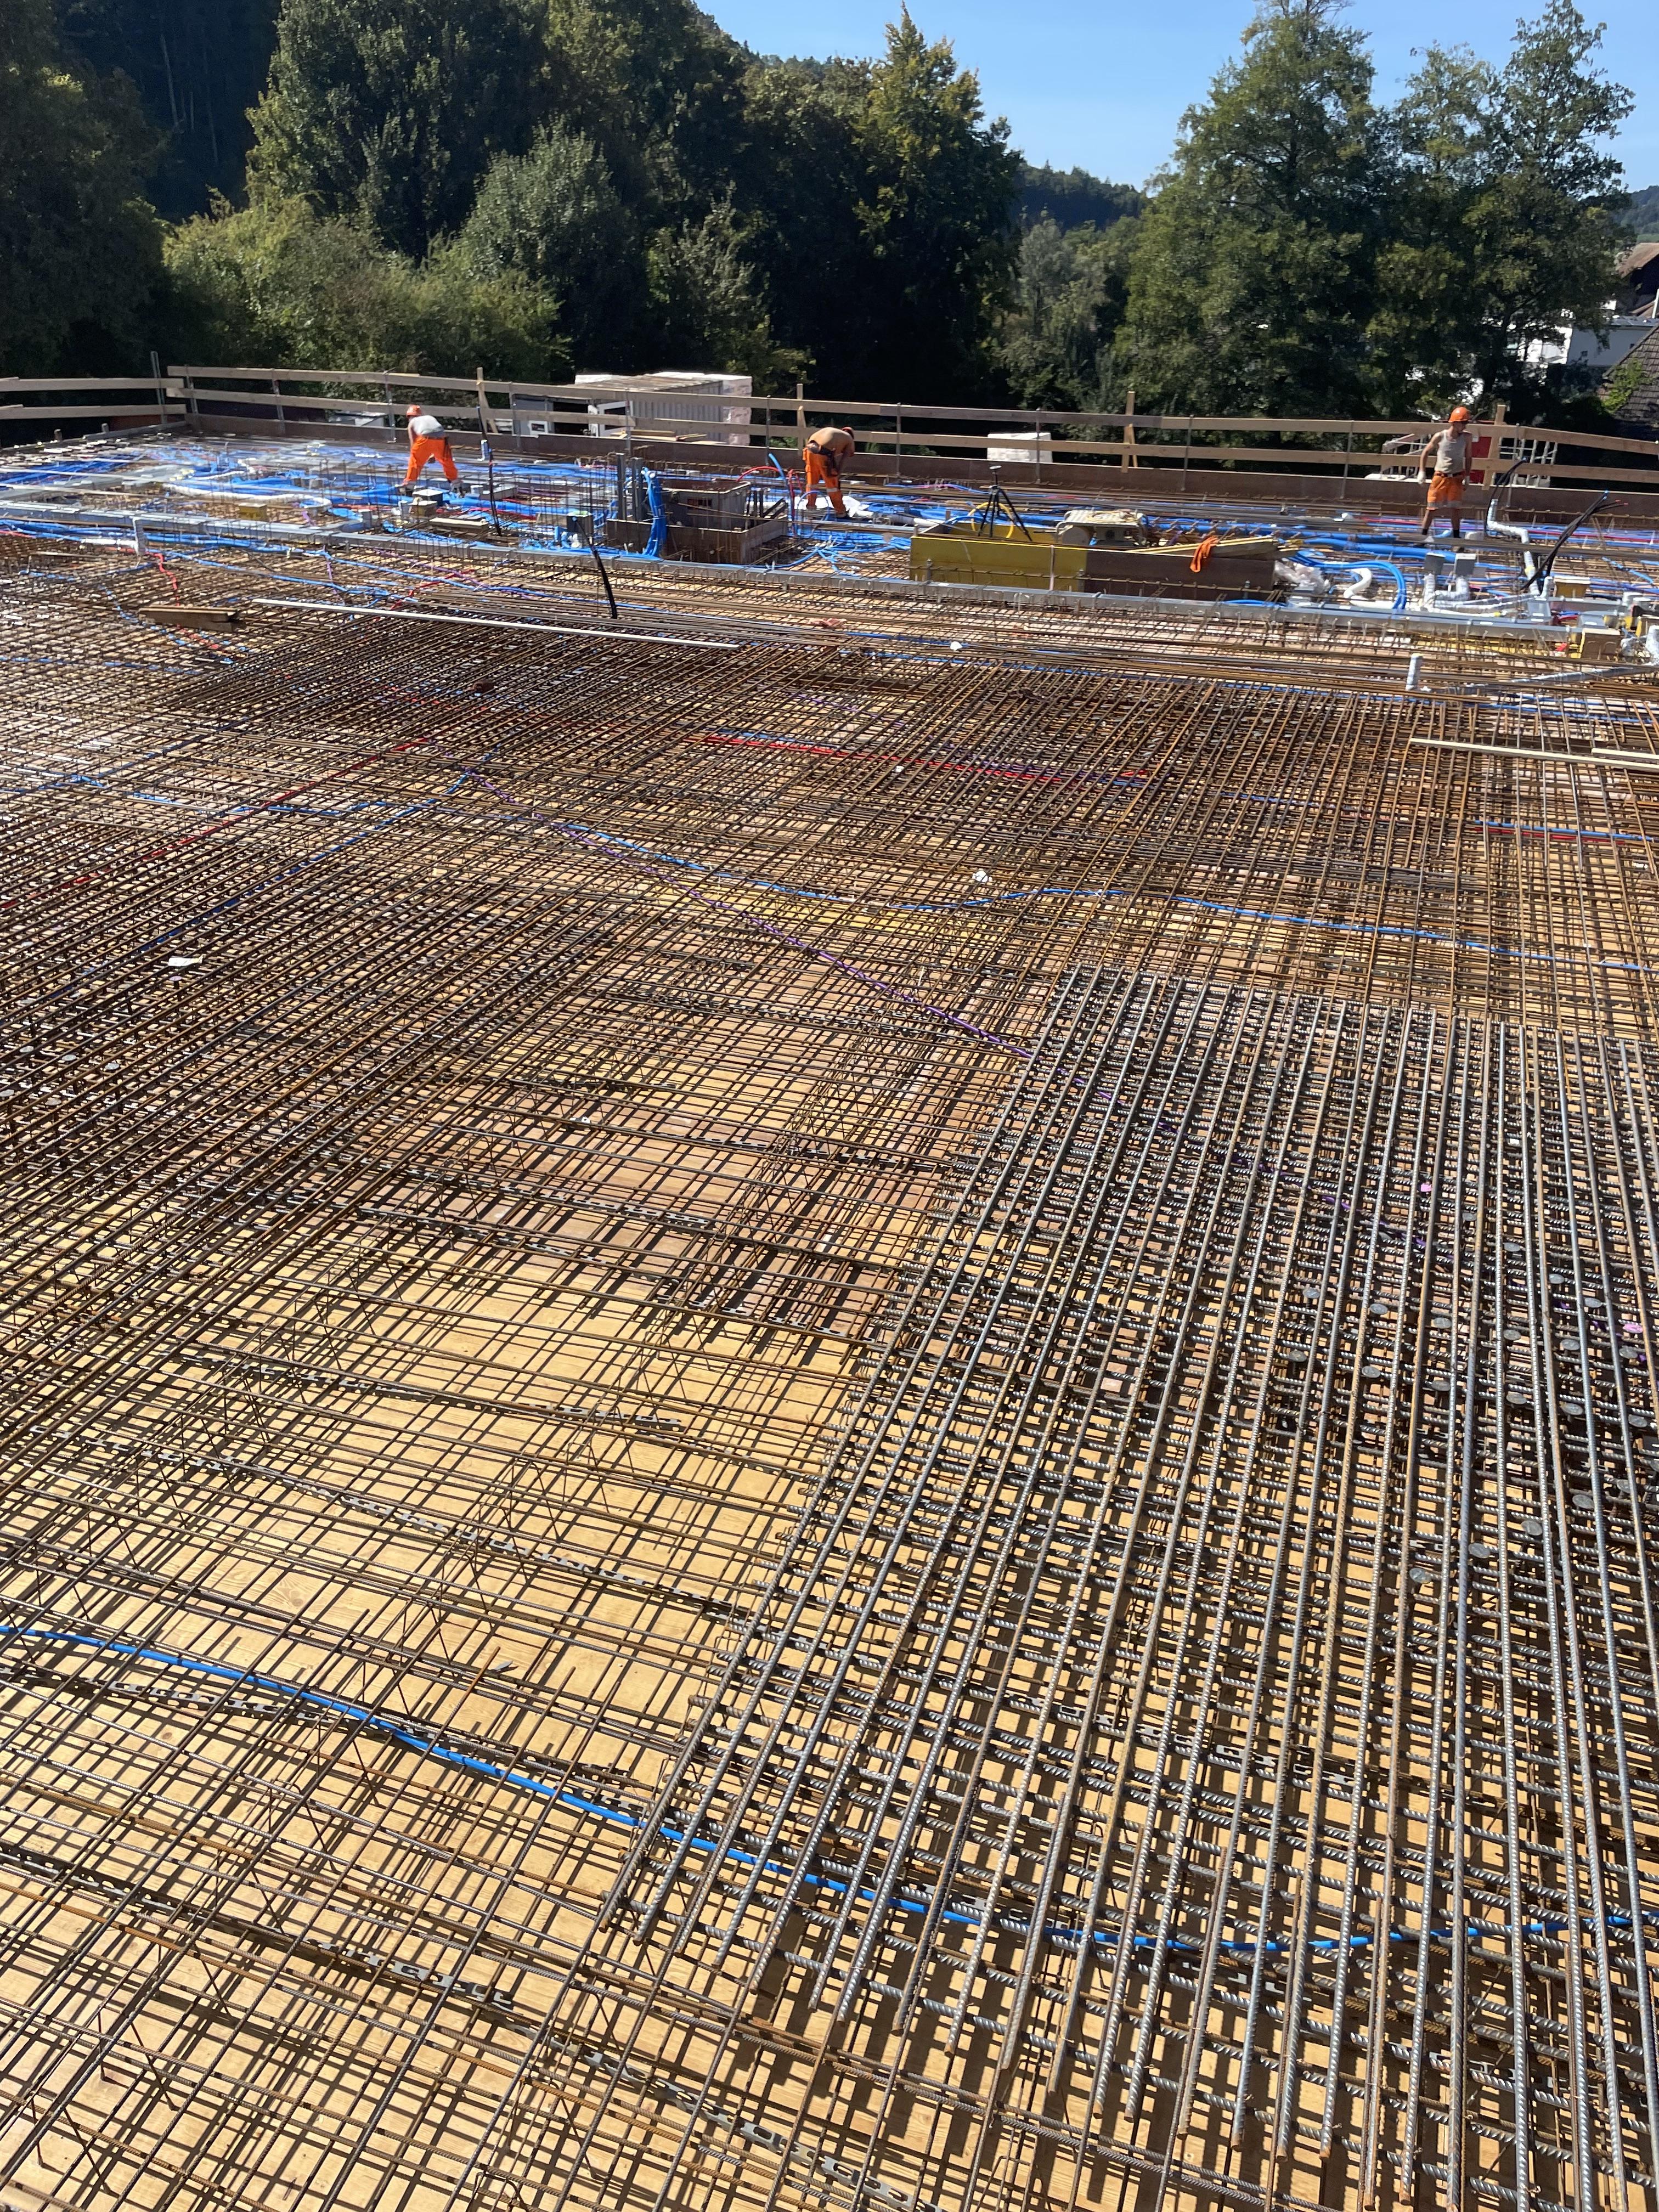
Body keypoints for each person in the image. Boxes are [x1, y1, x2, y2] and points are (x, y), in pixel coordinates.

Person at [1417, 407, 1474, 540]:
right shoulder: (1440, 436)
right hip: (1440, 477)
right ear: (1455, 423)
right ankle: (1423, 537)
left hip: (1456, 478)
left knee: (1456, 509)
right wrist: (1422, 471)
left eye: (1466, 423)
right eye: (1463, 423)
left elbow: (1469, 457)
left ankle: (1456, 538)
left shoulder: (1467, 438)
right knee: (1432, 508)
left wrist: (1467, 476)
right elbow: (1426, 452)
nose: (1465, 426)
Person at [404, 404, 464, 492]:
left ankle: (409, 487)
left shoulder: (412, 422)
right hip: (441, 439)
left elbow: (414, 442)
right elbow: (435, 434)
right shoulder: (429, 417)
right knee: (447, 462)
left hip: (425, 438)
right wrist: (433, 454)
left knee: (415, 462)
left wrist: (416, 453)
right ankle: (457, 485)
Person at [802, 425, 855, 517]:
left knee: (812, 482)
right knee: (832, 486)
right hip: (824, 452)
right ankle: (840, 511)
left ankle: (811, 507)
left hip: (809, 450)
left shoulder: (836, 433)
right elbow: (845, 458)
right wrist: (837, 474)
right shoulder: (849, 439)